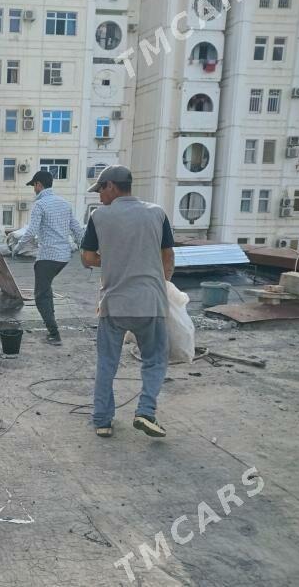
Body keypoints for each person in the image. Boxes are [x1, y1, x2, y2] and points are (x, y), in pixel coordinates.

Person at [80, 165, 175, 439]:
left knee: (107, 363)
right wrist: (162, 283)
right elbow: (167, 256)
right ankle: (145, 411)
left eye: (100, 190)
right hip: (151, 303)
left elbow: (87, 258)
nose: (99, 197)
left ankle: (102, 421)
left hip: (114, 304)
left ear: (111, 186)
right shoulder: (157, 213)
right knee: (155, 360)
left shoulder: (100, 217)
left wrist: (111, 259)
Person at [14, 170, 85, 346]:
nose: (34, 190)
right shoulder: (64, 203)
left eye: (34, 186)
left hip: (48, 257)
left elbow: (31, 231)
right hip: (63, 257)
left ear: (39, 184)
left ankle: (54, 334)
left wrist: (17, 248)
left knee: (41, 295)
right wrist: (86, 249)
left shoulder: (40, 205)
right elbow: (77, 229)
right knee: (46, 290)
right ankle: (52, 328)